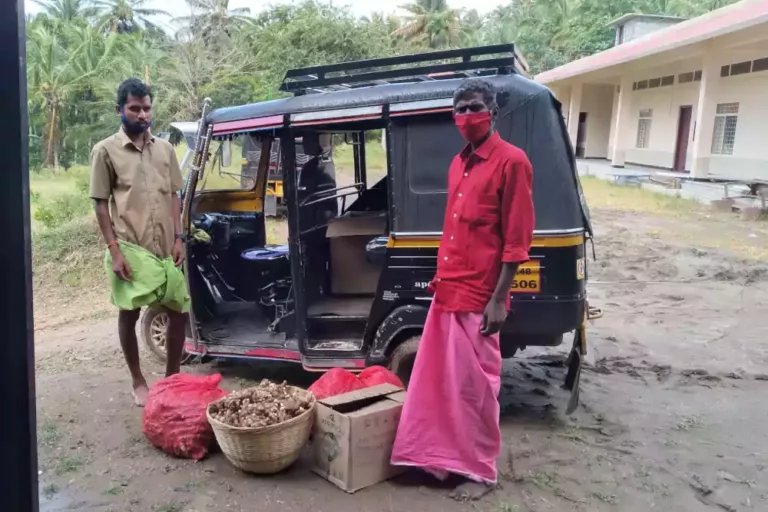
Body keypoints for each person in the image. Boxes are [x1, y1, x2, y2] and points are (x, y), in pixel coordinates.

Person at [390, 78, 535, 501]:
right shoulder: (459, 163)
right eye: (459, 109)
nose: (466, 116)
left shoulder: (513, 162)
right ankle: (436, 462)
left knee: (475, 390)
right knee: (437, 385)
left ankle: (479, 471)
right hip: (447, 290)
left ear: (492, 110)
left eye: (474, 106)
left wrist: (498, 300)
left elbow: (516, 240)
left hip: (480, 298)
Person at [90, 78, 190, 407]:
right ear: (120, 110)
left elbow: (175, 195)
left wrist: (179, 238)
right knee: (129, 313)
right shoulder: (105, 151)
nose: (143, 114)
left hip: (166, 249)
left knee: (178, 310)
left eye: (147, 108)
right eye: (135, 108)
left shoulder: (164, 150)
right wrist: (114, 251)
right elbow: (101, 204)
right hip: (130, 247)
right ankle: (137, 380)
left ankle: (171, 376)